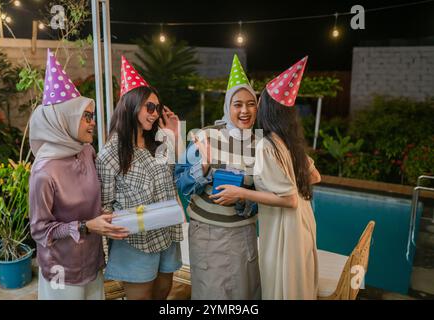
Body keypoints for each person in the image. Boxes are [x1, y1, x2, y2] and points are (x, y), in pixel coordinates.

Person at [210, 56, 321, 299]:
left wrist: (240, 192)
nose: (253, 106)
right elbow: (315, 176)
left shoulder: (266, 145)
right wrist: (290, 178)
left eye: (258, 101)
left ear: (267, 107)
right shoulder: (289, 141)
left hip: (285, 228)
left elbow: (289, 199)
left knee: (281, 288)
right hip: (304, 222)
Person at [29, 49, 129, 300]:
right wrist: (86, 226)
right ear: (64, 120)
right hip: (62, 269)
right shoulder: (44, 172)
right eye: (86, 117)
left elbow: (90, 200)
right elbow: (40, 231)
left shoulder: (86, 151)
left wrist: (102, 216)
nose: (92, 122)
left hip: (92, 261)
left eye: (92, 116)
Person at [96, 56, 183, 300]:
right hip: (136, 242)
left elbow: (177, 179)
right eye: (149, 107)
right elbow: (104, 206)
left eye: (157, 107)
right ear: (131, 105)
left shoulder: (159, 142)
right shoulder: (110, 153)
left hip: (167, 234)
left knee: (163, 292)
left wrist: (175, 136)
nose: (155, 114)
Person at [175, 54, 261, 299]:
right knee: (212, 295)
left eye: (251, 103)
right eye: (238, 104)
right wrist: (203, 166)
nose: (245, 110)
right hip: (208, 234)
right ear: (227, 106)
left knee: (245, 296)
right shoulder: (206, 136)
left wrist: (244, 199)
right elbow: (180, 181)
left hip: (243, 234)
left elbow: (263, 194)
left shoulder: (261, 144)